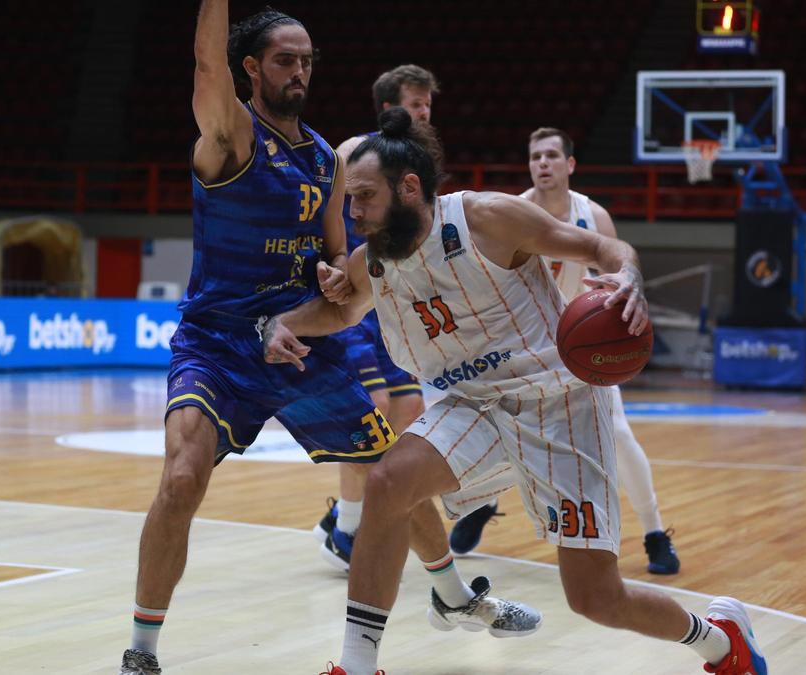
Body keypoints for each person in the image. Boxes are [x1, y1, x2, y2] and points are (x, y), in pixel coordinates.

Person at [262, 109, 766, 675]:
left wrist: (629, 278)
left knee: (595, 597)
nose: (353, 212)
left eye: (365, 197)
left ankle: (720, 642)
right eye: (350, 199)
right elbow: (339, 310)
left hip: (561, 406)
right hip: (473, 405)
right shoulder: (371, 260)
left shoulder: (488, 218)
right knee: (387, 481)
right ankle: (357, 665)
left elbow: (605, 250)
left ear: (408, 188)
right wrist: (281, 323)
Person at [118, 6, 537, 674]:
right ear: (251, 68)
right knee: (181, 476)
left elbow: (339, 262)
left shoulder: (324, 159)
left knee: (390, 473)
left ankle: (453, 594)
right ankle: (141, 651)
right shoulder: (230, 137)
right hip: (219, 345)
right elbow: (205, 65)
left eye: (308, 59)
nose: (300, 71)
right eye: (286, 59)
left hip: (302, 341)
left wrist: (331, 278)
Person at [447, 127, 680, 575]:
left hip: (584, 346)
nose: (543, 163)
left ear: (570, 165)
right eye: (536, 156)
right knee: (506, 431)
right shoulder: (510, 212)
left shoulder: (593, 216)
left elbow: (618, 269)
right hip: (525, 345)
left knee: (618, 434)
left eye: (553, 155)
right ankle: (484, 502)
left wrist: (627, 299)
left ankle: (653, 531)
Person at [314, 64, 438, 571]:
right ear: (389, 108)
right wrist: (328, 258)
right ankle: (347, 529)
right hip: (357, 299)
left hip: (397, 304)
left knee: (408, 413)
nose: (425, 113)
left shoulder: (417, 163)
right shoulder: (354, 151)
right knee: (373, 410)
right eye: (415, 104)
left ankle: (344, 516)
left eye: (428, 105)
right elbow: (314, 206)